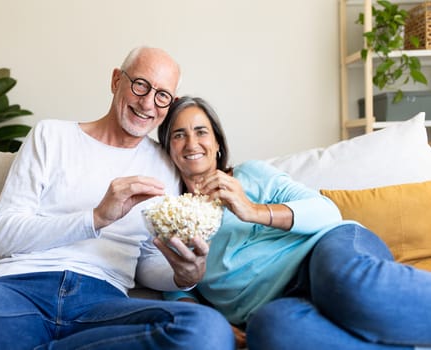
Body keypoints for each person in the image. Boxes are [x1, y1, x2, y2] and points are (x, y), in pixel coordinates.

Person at [0, 48, 235, 350]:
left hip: (100, 306)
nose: (148, 103)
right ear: (116, 80)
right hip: (17, 292)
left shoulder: (165, 165)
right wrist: (95, 218)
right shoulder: (51, 136)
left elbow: (147, 260)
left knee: (206, 330)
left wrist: (185, 275)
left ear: (170, 101)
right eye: (140, 86)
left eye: (161, 95)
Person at [156, 95, 431, 350]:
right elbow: (175, 287)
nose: (192, 143)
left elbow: (327, 211)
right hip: (272, 305)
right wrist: (216, 323)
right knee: (270, 331)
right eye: (179, 135)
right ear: (168, 150)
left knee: (345, 284)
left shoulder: (249, 175)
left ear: (217, 143)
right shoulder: (171, 215)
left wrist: (252, 210)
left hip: (323, 252)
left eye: (201, 131)